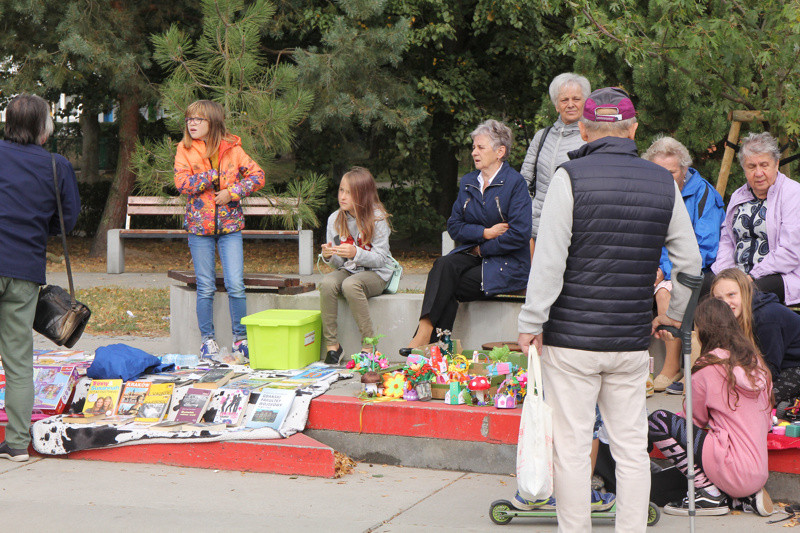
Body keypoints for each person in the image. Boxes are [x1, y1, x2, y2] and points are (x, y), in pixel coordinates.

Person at [517, 87, 702, 532]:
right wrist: (674, 315)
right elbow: (690, 263)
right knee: (632, 449)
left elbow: (549, 261)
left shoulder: (569, 176)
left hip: (571, 342)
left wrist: (530, 321)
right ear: (633, 130)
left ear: (583, 130)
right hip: (629, 341)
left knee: (574, 448)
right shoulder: (662, 181)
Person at [401, 120, 531, 353]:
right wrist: (484, 232)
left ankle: (430, 342)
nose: (473, 152)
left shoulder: (515, 184)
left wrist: (483, 249)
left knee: (448, 283)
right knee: (444, 265)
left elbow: (519, 235)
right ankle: (430, 338)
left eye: (480, 147)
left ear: (500, 152)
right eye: (473, 147)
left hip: (507, 264)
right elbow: (454, 226)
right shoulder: (469, 182)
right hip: (472, 255)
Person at [0, 94, 80, 462]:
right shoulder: (56, 165)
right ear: (42, 127)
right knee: (18, 360)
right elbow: (67, 221)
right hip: (24, 269)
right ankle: (17, 444)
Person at [648, 297, 773, 517]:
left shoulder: (708, 366)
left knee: (658, 420)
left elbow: (692, 421)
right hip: (759, 472)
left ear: (703, 331)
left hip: (731, 464)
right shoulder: (756, 363)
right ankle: (741, 498)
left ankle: (707, 493)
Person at [174, 100, 265, 360]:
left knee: (235, 284)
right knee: (205, 286)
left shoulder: (233, 149)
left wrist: (232, 191)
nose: (191, 123)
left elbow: (258, 176)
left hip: (230, 227)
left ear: (212, 122)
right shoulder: (185, 149)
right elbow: (181, 183)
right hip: (199, 228)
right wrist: (211, 177)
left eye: (198, 119)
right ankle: (208, 340)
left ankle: (241, 339)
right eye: (189, 119)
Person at [642, 136, 725, 391]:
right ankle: (633, 366)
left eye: (672, 172)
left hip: (696, 269)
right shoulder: (650, 192)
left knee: (666, 289)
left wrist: (663, 270)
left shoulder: (704, 195)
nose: (665, 178)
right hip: (659, 267)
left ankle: (671, 366)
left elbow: (704, 250)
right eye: (658, 172)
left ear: (685, 170)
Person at [710, 131, 800, 304]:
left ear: (776, 164)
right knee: (703, 287)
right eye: (752, 166)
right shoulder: (739, 196)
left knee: (743, 297)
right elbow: (727, 240)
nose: (758, 173)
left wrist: (751, 276)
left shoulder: (793, 194)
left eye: (764, 165)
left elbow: (790, 252)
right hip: (738, 276)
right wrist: (725, 275)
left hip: (781, 275)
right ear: (744, 168)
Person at [319, 167, 394, 364]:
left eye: (349, 192)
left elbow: (380, 258)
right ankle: (333, 347)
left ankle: (369, 346)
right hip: (350, 269)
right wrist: (329, 255)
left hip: (377, 273)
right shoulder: (334, 219)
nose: (342, 196)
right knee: (327, 283)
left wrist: (356, 253)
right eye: (341, 190)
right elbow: (339, 264)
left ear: (362, 194)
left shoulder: (377, 217)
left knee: (351, 285)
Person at [521, 73, 591, 257]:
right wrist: (529, 216)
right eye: (564, 99)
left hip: (574, 232)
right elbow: (524, 181)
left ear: (585, 101)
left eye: (576, 99)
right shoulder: (541, 136)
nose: (570, 104)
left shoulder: (591, 139)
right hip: (537, 230)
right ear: (556, 104)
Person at [712, 268, 800, 409]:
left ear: (746, 292)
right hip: (777, 366)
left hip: (794, 366)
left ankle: (792, 403)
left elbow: (770, 369)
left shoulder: (766, 317)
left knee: (755, 402)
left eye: (731, 295)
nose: (726, 303)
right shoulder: (729, 317)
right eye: (719, 299)